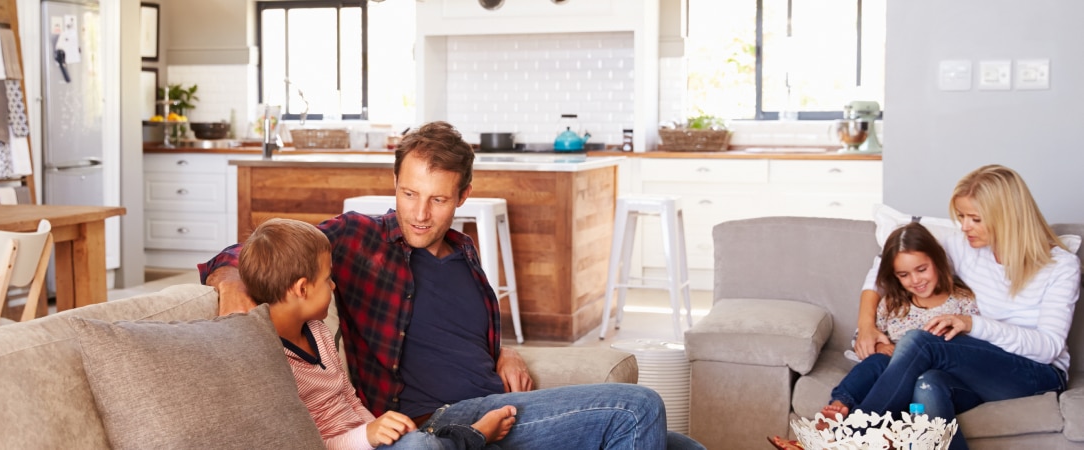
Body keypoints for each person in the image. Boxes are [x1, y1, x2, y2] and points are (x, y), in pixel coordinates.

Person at [202, 121, 703, 449]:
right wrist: (229, 280)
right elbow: (266, 249)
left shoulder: (466, 253)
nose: (420, 214)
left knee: (686, 447)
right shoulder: (360, 238)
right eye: (408, 193)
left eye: (438, 200)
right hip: (435, 422)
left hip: (496, 413)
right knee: (638, 406)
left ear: (464, 194)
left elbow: (463, 335)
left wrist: (504, 352)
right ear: (394, 183)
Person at [849, 165, 1079, 450]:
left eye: (975, 218)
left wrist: (973, 325)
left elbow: (1049, 347)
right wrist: (867, 326)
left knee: (921, 341)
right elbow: (887, 261)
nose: (964, 226)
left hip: (1037, 372)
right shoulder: (964, 245)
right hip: (977, 366)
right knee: (927, 385)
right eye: (961, 217)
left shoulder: (1061, 266)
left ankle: (853, 436)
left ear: (1007, 217)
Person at [239, 217, 517, 449]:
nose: (334, 287)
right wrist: (367, 435)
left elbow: (348, 396)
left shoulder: (317, 330)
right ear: (302, 289)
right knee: (421, 446)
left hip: (367, 440)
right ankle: (470, 439)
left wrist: (379, 430)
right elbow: (303, 442)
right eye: (328, 279)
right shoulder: (271, 360)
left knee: (415, 442)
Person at [766, 222, 979, 450]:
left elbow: (969, 351)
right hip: (895, 382)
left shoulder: (962, 301)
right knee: (877, 361)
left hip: (939, 377)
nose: (915, 280)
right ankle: (839, 407)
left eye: (922, 269)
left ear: (938, 261)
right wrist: (880, 349)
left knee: (911, 368)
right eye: (904, 275)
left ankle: (837, 438)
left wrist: (904, 354)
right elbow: (865, 344)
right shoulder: (893, 304)